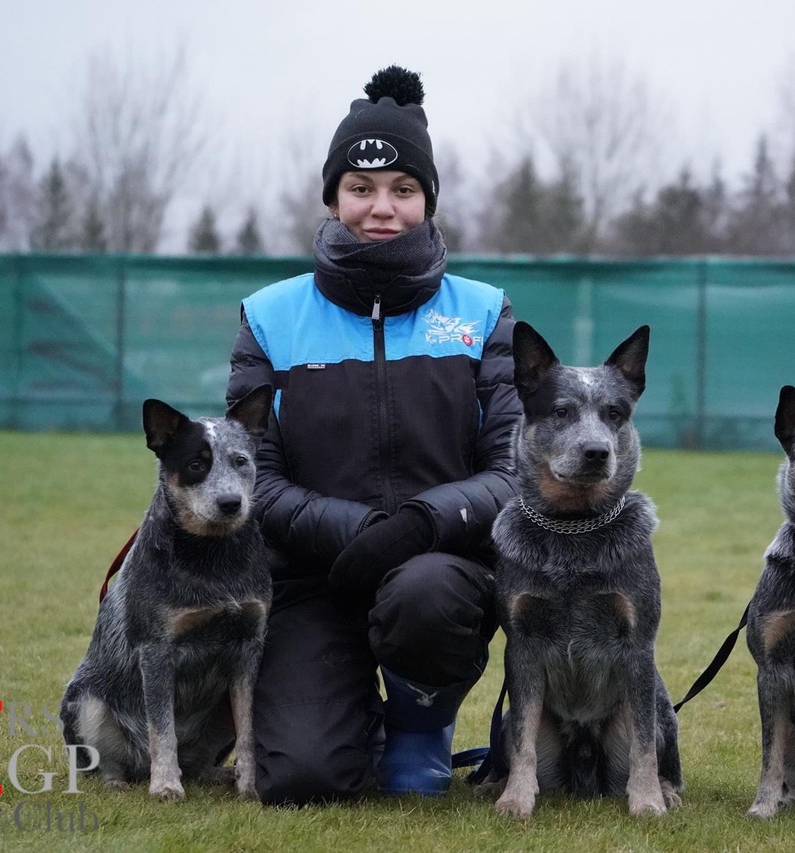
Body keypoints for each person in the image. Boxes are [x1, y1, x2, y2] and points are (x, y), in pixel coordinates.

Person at [225, 65, 520, 806]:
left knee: (423, 592)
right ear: (332, 198)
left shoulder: (485, 312)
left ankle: (422, 729)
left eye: (402, 191)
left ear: (427, 200)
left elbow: (517, 467)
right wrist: (356, 528)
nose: (380, 208)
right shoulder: (269, 316)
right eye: (360, 189)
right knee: (304, 779)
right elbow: (249, 476)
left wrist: (420, 523)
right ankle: (360, 720)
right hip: (311, 579)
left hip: (441, 570)